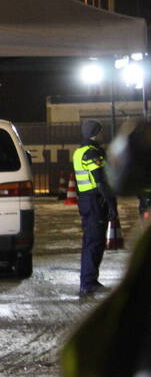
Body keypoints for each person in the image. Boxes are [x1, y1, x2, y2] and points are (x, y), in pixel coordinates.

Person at [73, 119, 117, 297]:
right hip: (95, 201)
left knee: (90, 242)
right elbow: (101, 181)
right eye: (100, 131)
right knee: (95, 242)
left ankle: (90, 280)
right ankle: (88, 282)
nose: (102, 134)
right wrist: (112, 205)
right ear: (95, 133)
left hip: (86, 200)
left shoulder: (79, 152)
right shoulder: (91, 153)